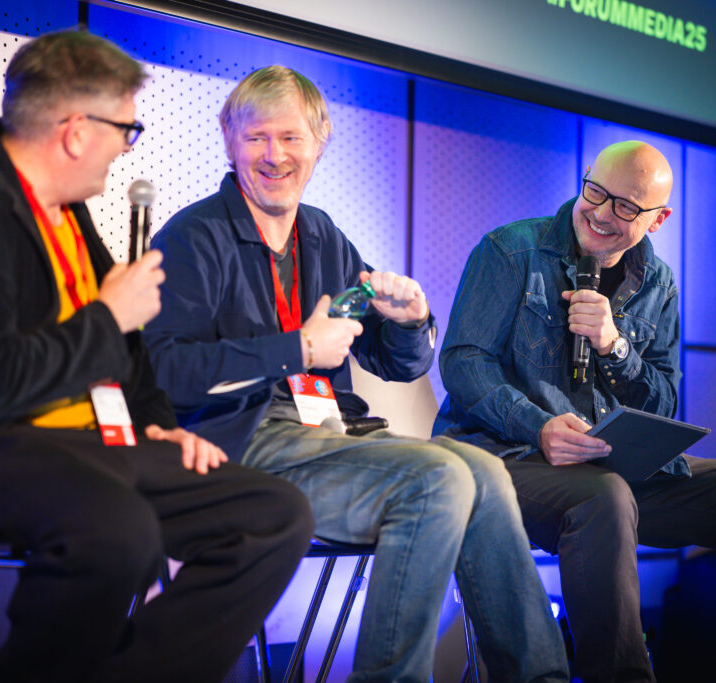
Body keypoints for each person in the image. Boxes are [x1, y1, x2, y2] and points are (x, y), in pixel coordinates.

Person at [0, 31, 314, 682]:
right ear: (75, 131)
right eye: (126, 128)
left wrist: (158, 426)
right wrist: (109, 314)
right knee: (117, 530)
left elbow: (124, 356)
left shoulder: (66, 210)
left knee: (274, 514)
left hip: (86, 446)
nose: (127, 146)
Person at [142, 65, 569, 683]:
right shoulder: (193, 236)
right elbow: (164, 372)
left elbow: (397, 363)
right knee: (438, 479)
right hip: (242, 443)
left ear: (319, 143)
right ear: (230, 142)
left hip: (329, 436)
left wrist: (410, 320)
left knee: (484, 472)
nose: (274, 155)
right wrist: (295, 349)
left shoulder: (322, 237)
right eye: (257, 138)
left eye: (291, 137)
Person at [434, 140, 716, 683]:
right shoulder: (511, 250)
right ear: (585, 178)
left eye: (626, 206)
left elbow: (665, 400)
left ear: (658, 219)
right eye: (595, 192)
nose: (601, 214)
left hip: (608, 469)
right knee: (605, 496)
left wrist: (615, 346)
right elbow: (463, 363)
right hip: (504, 458)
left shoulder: (659, 284)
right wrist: (539, 426)